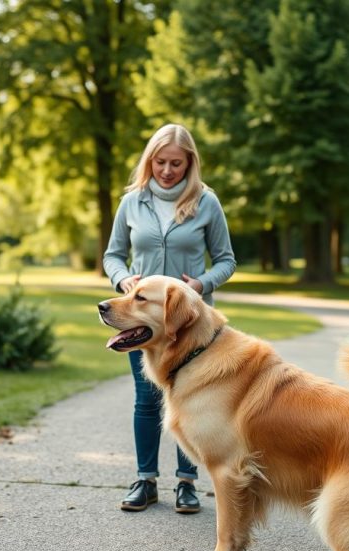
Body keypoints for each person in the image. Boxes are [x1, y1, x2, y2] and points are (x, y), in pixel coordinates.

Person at [103, 123, 237, 513]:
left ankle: (187, 483)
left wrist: (201, 283)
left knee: (192, 399)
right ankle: (145, 480)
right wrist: (122, 277)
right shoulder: (133, 201)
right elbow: (112, 254)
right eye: (160, 162)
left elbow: (226, 260)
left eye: (176, 163)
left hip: (191, 322)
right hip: (141, 319)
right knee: (146, 399)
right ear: (150, 160)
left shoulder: (206, 201)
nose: (166, 170)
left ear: (189, 162)